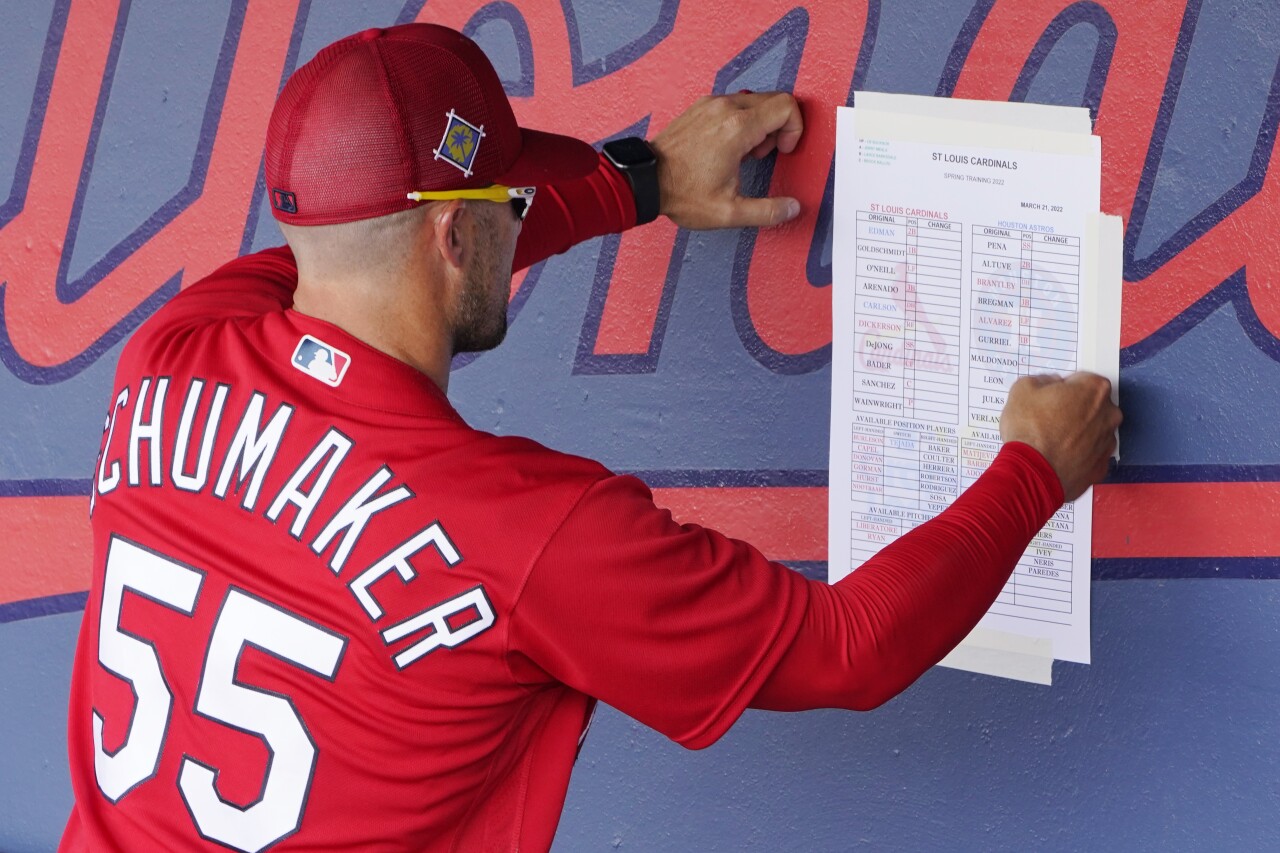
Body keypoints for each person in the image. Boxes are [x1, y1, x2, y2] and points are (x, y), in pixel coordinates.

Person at [60, 23, 1121, 853]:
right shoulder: (527, 533)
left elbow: (373, 250)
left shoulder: (171, 350)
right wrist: (1032, 469)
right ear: (455, 229)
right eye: (507, 200)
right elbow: (849, 648)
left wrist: (642, 180)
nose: (520, 214)